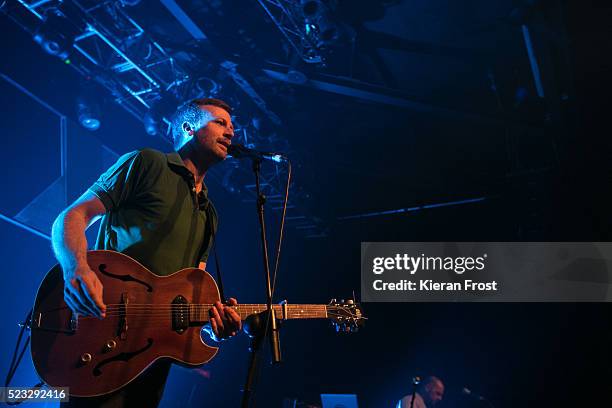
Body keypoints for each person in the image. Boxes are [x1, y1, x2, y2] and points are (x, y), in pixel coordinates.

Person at [51, 98, 242, 407]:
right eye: (220, 123)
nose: (231, 132)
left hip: (151, 360)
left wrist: (214, 328)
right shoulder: (148, 163)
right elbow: (73, 215)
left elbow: (192, 295)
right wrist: (76, 268)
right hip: (102, 333)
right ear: (188, 128)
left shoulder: (210, 214)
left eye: (232, 126)